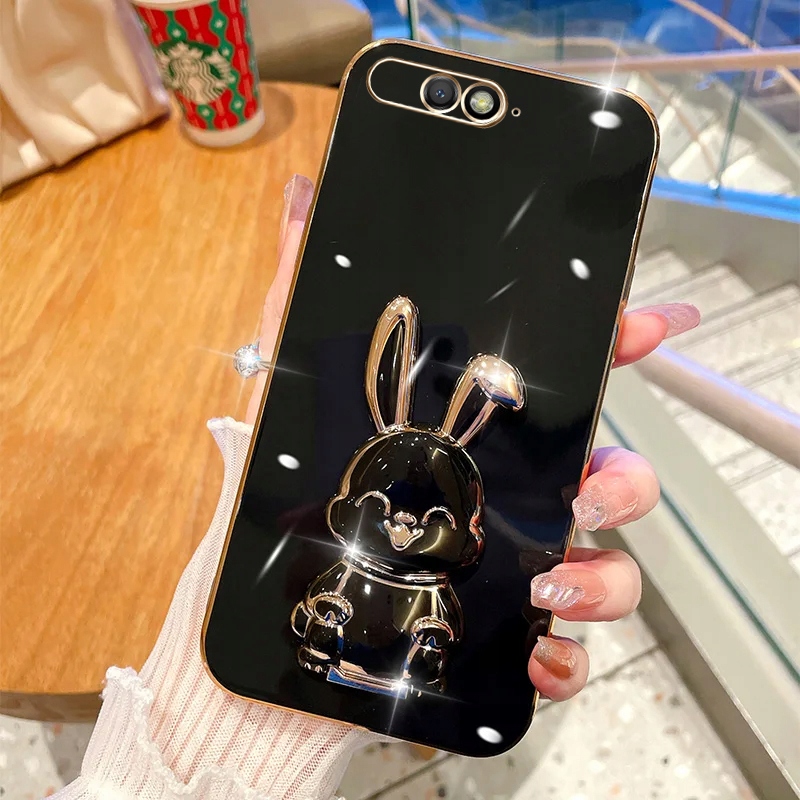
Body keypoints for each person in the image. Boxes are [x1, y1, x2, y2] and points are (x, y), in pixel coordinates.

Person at [51, 175, 701, 800]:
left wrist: (434, 640)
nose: (402, 526)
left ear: (467, 533)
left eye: (430, 519)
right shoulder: (345, 540)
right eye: (382, 507)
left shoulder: (435, 573)